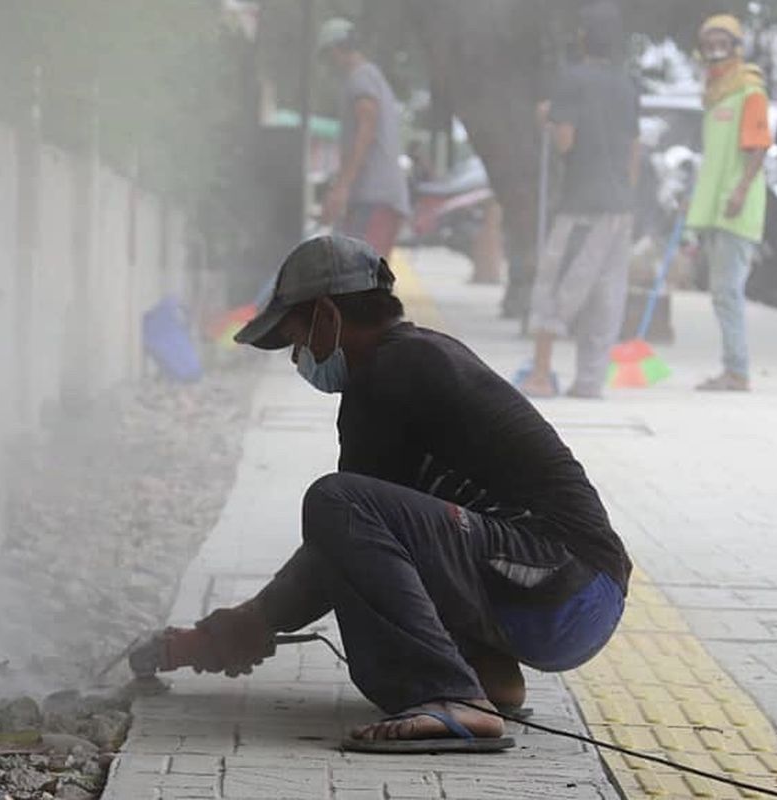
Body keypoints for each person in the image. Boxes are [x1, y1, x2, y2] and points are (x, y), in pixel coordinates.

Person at [191, 234, 632, 751]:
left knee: (337, 500)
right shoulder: (420, 355)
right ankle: (488, 682)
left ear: (328, 317)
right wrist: (256, 620)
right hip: (572, 589)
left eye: (296, 339)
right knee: (386, 523)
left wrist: (254, 620)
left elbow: (343, 536)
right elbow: (376, 546)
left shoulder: (386, 375)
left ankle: (452, 697)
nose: (297, 359)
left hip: (560, 583)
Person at [519, 1, 640, 400]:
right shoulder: (626, 85)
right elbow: (634, 150)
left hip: (583, 203)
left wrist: (548, 122)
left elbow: (566, 140)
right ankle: (589, 380)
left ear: (583, 37)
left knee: (556, 284)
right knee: (605, 291)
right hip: (620, 206)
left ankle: (539, 373)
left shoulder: (573, 79)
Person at [686, 14, 771, 392]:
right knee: (722, 292)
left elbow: (758, 148)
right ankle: (733, 368)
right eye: (709, 43)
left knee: (727, 291)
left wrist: (739, 191)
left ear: (737, 47)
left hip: (737, 207)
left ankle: (737, 371)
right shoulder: (715, 93)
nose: (715, 49)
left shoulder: (749, 91)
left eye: (723, 42)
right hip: (716, 208)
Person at [318, 18, 410, 258]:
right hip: (376, 196)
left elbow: (366, 128)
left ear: (337, 49)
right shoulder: (371, 76)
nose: (328, 64)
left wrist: (342, 188)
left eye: (328, 56)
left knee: (361, 274)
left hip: (374, 195)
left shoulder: (360, 79)